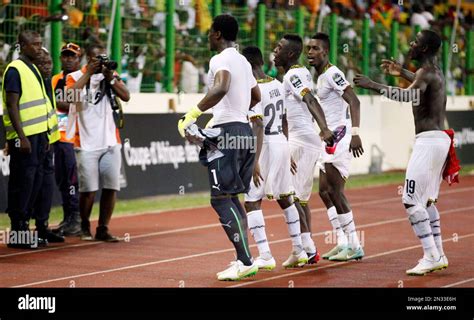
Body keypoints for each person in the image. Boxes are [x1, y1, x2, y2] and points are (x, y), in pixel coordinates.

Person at [354, 30, 456, 275]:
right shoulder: (433, 71)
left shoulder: (426, 72)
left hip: (429, 142)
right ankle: (438, 253)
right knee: (427, 201)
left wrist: (373, 85)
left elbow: (409, 95)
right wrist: (402, 72)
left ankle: (431, 255)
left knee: (410, 200)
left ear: (423, 49)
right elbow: (423, 85)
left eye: (415, 41)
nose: (410, 43)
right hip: (437, 139)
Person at [177, 14, 261, 281]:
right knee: (233, 198)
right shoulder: (244, 62)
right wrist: (233, 114)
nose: (207, 36)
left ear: (216, 34)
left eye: (209, 32)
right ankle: (243, 258)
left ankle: (246, 260)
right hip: (245, 132)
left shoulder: (220, 59)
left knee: (220, 199)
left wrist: (193, 114)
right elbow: (255, 96)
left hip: (227, 134)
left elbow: (222, 87)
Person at [242, 45, 309, 270]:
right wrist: (287, 149)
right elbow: (285, 120)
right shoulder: (279, 84)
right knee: (285, 197)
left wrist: (254, 160)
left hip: (266, 145)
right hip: (281, 141)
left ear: (249, 66)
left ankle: (265, 254)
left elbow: (258, 125)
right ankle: (299, 250)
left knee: (251, 200)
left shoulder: (252, 90)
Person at [272, 34, 333, 264]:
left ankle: (306, 249)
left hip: (302, 140)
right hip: (301, 139)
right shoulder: (295, 74)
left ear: (289, 54)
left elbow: (310, 100)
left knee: (288, 195)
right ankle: (304, 249)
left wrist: (324, 127)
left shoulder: (294, 75)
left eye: (279, 47)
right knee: (299, 199)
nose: (275, 50)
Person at [307, 32, 365, 261]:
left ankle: (355, 244)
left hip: (339, 136)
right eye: (308, 48)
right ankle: (342, 242)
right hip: (327, 137)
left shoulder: (332, 73)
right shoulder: (320, 76)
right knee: (323, 191)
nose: (310, 52)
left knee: (336, 191)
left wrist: (356, 133)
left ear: (325, 51)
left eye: (315, 48)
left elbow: (354, 100)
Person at [66, 43, 130, 242]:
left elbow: (126, 96)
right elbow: (69, 95)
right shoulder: (75, 76)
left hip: (111, 141)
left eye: (103, 57)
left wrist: (110, 78)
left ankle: (103, 227)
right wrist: (88, 74)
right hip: (85, 142)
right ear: (87, 58)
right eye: (96, 58)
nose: (100, 62)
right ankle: (84, 225)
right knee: (89, 190)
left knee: (111, 187)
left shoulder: (109, 75)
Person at [2, 30, 60, 249]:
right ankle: (17, 233)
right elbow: (12, 104)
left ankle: (25, 229)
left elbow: (43, 105)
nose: (38, 47)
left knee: (34, 182)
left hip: (38, 136)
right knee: (22, 183)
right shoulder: (15, 69)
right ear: (22, 46)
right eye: (34, 44)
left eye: (40, 43)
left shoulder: (34, 69)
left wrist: (45, 134)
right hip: (24, 138)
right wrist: (20, 137)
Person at [28, 47, 66, 244]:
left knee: (47, 187)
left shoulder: (47, 83)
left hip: (48, 142)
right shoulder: (31, 82)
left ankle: (42, 227)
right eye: (42, 63)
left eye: (49, 63)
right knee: (30, 187)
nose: (46, 66)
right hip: (31, 141)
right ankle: (23, 229)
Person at [50, 42, 82, 237]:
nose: (68, 59)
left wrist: (56, 101)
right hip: (56, 136)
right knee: (62, 179)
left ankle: (76, 218)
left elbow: (76, 105)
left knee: (72, 180)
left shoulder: (81, 79)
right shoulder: (55, 79)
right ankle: (68, 217)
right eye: (65, 55)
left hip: (74, 137)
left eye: (72, 56)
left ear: (79, 59)